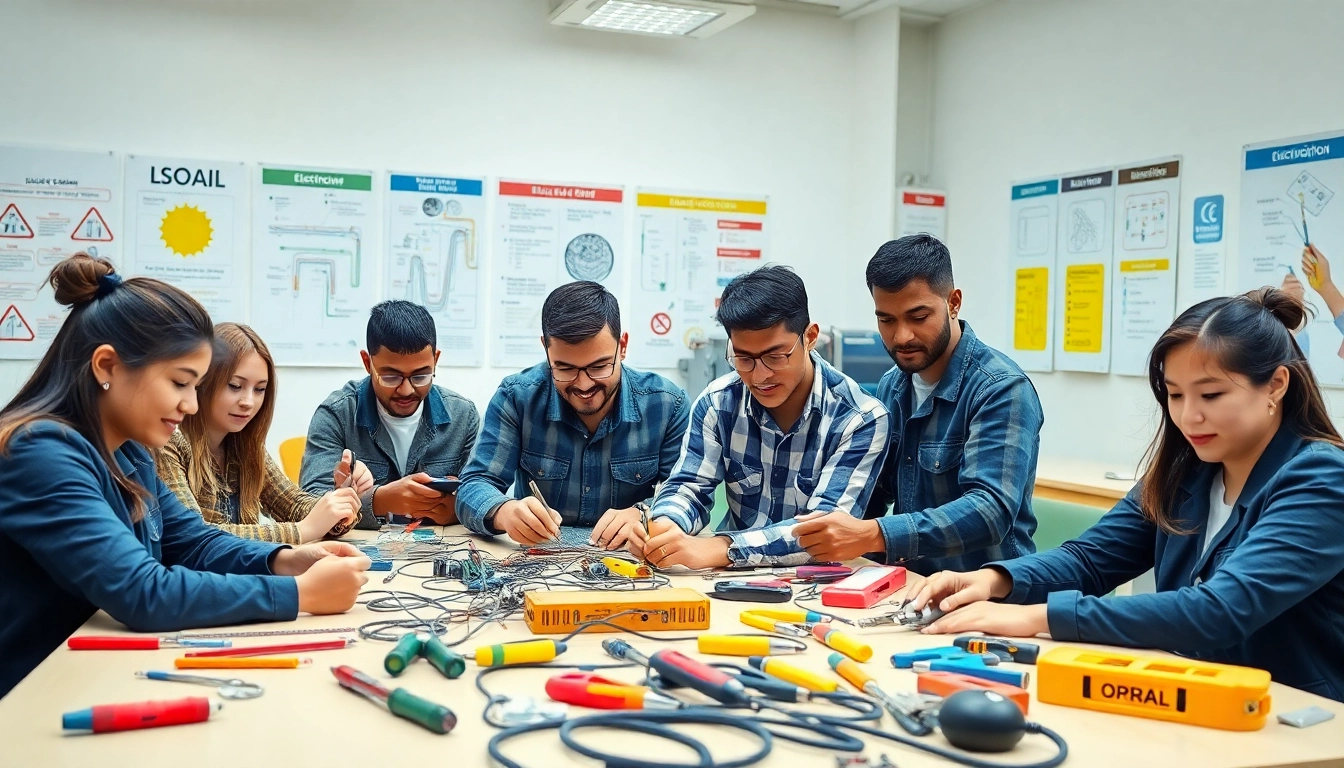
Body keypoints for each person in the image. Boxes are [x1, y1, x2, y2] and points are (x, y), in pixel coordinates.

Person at [912, 288, 1344, 703]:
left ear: (1276, 385)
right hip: (1198, 701)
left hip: (1299, 720)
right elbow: (1091, 559)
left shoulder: (1320, 477)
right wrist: (995, 581)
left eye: (1211, 394)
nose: (1188, 416)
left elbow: (1219, 610)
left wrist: (1036, 617)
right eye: (1174, 394)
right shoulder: (1187, 469)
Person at [0, 254, 370, 698]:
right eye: (180, 383)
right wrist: (299, 595)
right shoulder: (38, 453)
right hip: (31, 693)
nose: (192, 405)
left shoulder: (129, 450)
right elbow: (142, 592)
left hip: (93, 669)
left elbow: (192, 542)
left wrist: (284, 560)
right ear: (106, 367)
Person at [794, 235, 1042, 573]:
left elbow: (990, 511)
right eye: (887, 320)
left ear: (953, 303)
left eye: (918, 316)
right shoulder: (892, 386)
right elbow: (871, 492)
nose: (902, 336)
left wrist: (873, 535)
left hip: (989, 600)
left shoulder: (1001, 389)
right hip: (908, 588)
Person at [631, 265, 890, 568]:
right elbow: (689, 486)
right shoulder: (718, 403)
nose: (760, 375)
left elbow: (824, 534)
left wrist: (722, 548)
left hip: (818, 583)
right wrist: (666, 524)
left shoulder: (860, 419)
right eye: (743, 358)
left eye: (775, 356)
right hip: (729, 579)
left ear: (810, 337)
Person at [458, 282, 690, 547]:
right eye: (565, 368)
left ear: (622, 346)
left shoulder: (667, 405)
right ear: (546, 348)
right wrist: (504, 512)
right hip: (539, 565)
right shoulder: (517, 397)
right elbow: (474, 485)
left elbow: (685, 494)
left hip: (632, 565)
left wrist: (644, 514)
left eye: (599, 366)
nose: (584, 384)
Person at [157, 322, 375, 544]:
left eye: (260, 389)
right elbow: (193, 536)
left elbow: (294, 504)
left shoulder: (246, 446)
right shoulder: (169, 444)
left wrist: (340, 501)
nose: (248, 402)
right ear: (202, 383)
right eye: (234, 386)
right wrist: (301, 531)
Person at [301, 300, 479, 528]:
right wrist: (379, 501)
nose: (406, 390)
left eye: (421, 376)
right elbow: (308, 503)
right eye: (391, 377)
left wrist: (458, 509)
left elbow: (483, 490)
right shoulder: (337, 414)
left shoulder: (463, 416)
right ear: (368, 363)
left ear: (435, 360)